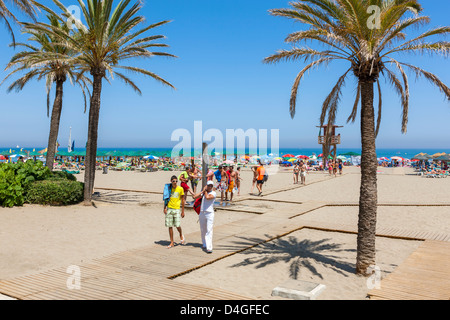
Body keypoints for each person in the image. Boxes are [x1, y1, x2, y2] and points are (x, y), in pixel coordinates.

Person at [193, 180, 217, 253]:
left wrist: (205, 191)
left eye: (211, 186)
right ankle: (204, 244)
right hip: (202, 212)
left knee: (209, 230)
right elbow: (194, 197)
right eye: (208, 185)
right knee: (203, 230)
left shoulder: (213, 193)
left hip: (209, 213)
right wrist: (202, 192)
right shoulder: (204, 193)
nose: (210, 187)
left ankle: (209, 247)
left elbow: (207, 197)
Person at [163, 176, 186, 249]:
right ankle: (172, 242)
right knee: (170, 226)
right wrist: (164, 208)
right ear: (171, 181)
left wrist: (182, 211)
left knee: (177, 225)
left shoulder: (180, 189)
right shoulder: (168, 189)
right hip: (169, 208)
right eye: (173, 181)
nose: (175, 182)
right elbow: (166, 198)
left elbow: (182, 200)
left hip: (176, 209)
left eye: (176, 181)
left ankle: (181, 234)